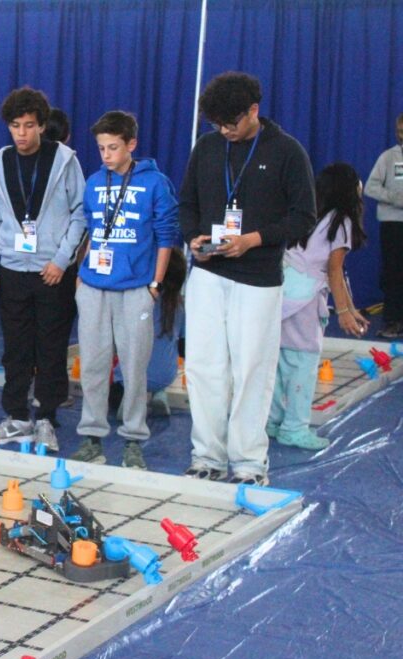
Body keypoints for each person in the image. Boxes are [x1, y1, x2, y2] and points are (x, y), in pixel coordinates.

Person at [181, 72, 316, 485]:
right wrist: (194, 238)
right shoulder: (207, 147)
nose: (225, 131)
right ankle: (206, 456)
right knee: (204, 368)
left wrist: (254, 240)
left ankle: (249, 463)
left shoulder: (287, 152)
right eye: (217, 124)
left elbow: (303, 218)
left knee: (251, 369)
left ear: (253, 111)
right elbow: (187, 204)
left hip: (257, 278)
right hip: (207, 273)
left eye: (232, 123)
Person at [70, 111, 179, 469]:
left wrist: (155, 284)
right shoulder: (93, 181)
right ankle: (92, 437)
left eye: (113, 147)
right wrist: (82, 276)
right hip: (95, 285)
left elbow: (166, 236)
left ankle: (133, 439)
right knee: (94, 365)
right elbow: (91, 228)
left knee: (134, 368)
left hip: (136, 288)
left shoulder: (154, 183)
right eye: (101, 148)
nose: (106, 155)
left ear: (131, 145)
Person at [0, 88, 86, 450]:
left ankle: (46, 418)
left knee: (52, 347)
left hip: (52, 271)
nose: (22, 134)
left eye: (29, 126)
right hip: (11, 268)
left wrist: (61, 260)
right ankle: (17, 417)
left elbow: (80, 214)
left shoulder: (65, 161)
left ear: (42, 125)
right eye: (15, 126)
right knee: (16, 347)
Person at [268, 163, 368, 450]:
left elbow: (335, 272)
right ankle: (295, 428)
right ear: (348, 190)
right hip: (305, 299)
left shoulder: (313, 214)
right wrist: (345, 314)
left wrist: (351, 306)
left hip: (284, 287)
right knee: (303, 363)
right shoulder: (342, 221)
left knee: (276, 360)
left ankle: (272, 422)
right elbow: (334, 271)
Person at [112, 249, 188, 418]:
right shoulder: (180, 306)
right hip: (165, 376)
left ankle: (130, 398)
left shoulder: (137, 299)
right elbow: (184, 347)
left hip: (128, 378)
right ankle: (159, 393)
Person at [364, 113, 403, 339]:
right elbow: (370, 187)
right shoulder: (389, 157)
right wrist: (395, 198)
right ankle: (392, 320)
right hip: (393, 224)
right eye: (400, 132)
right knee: (393, 273)